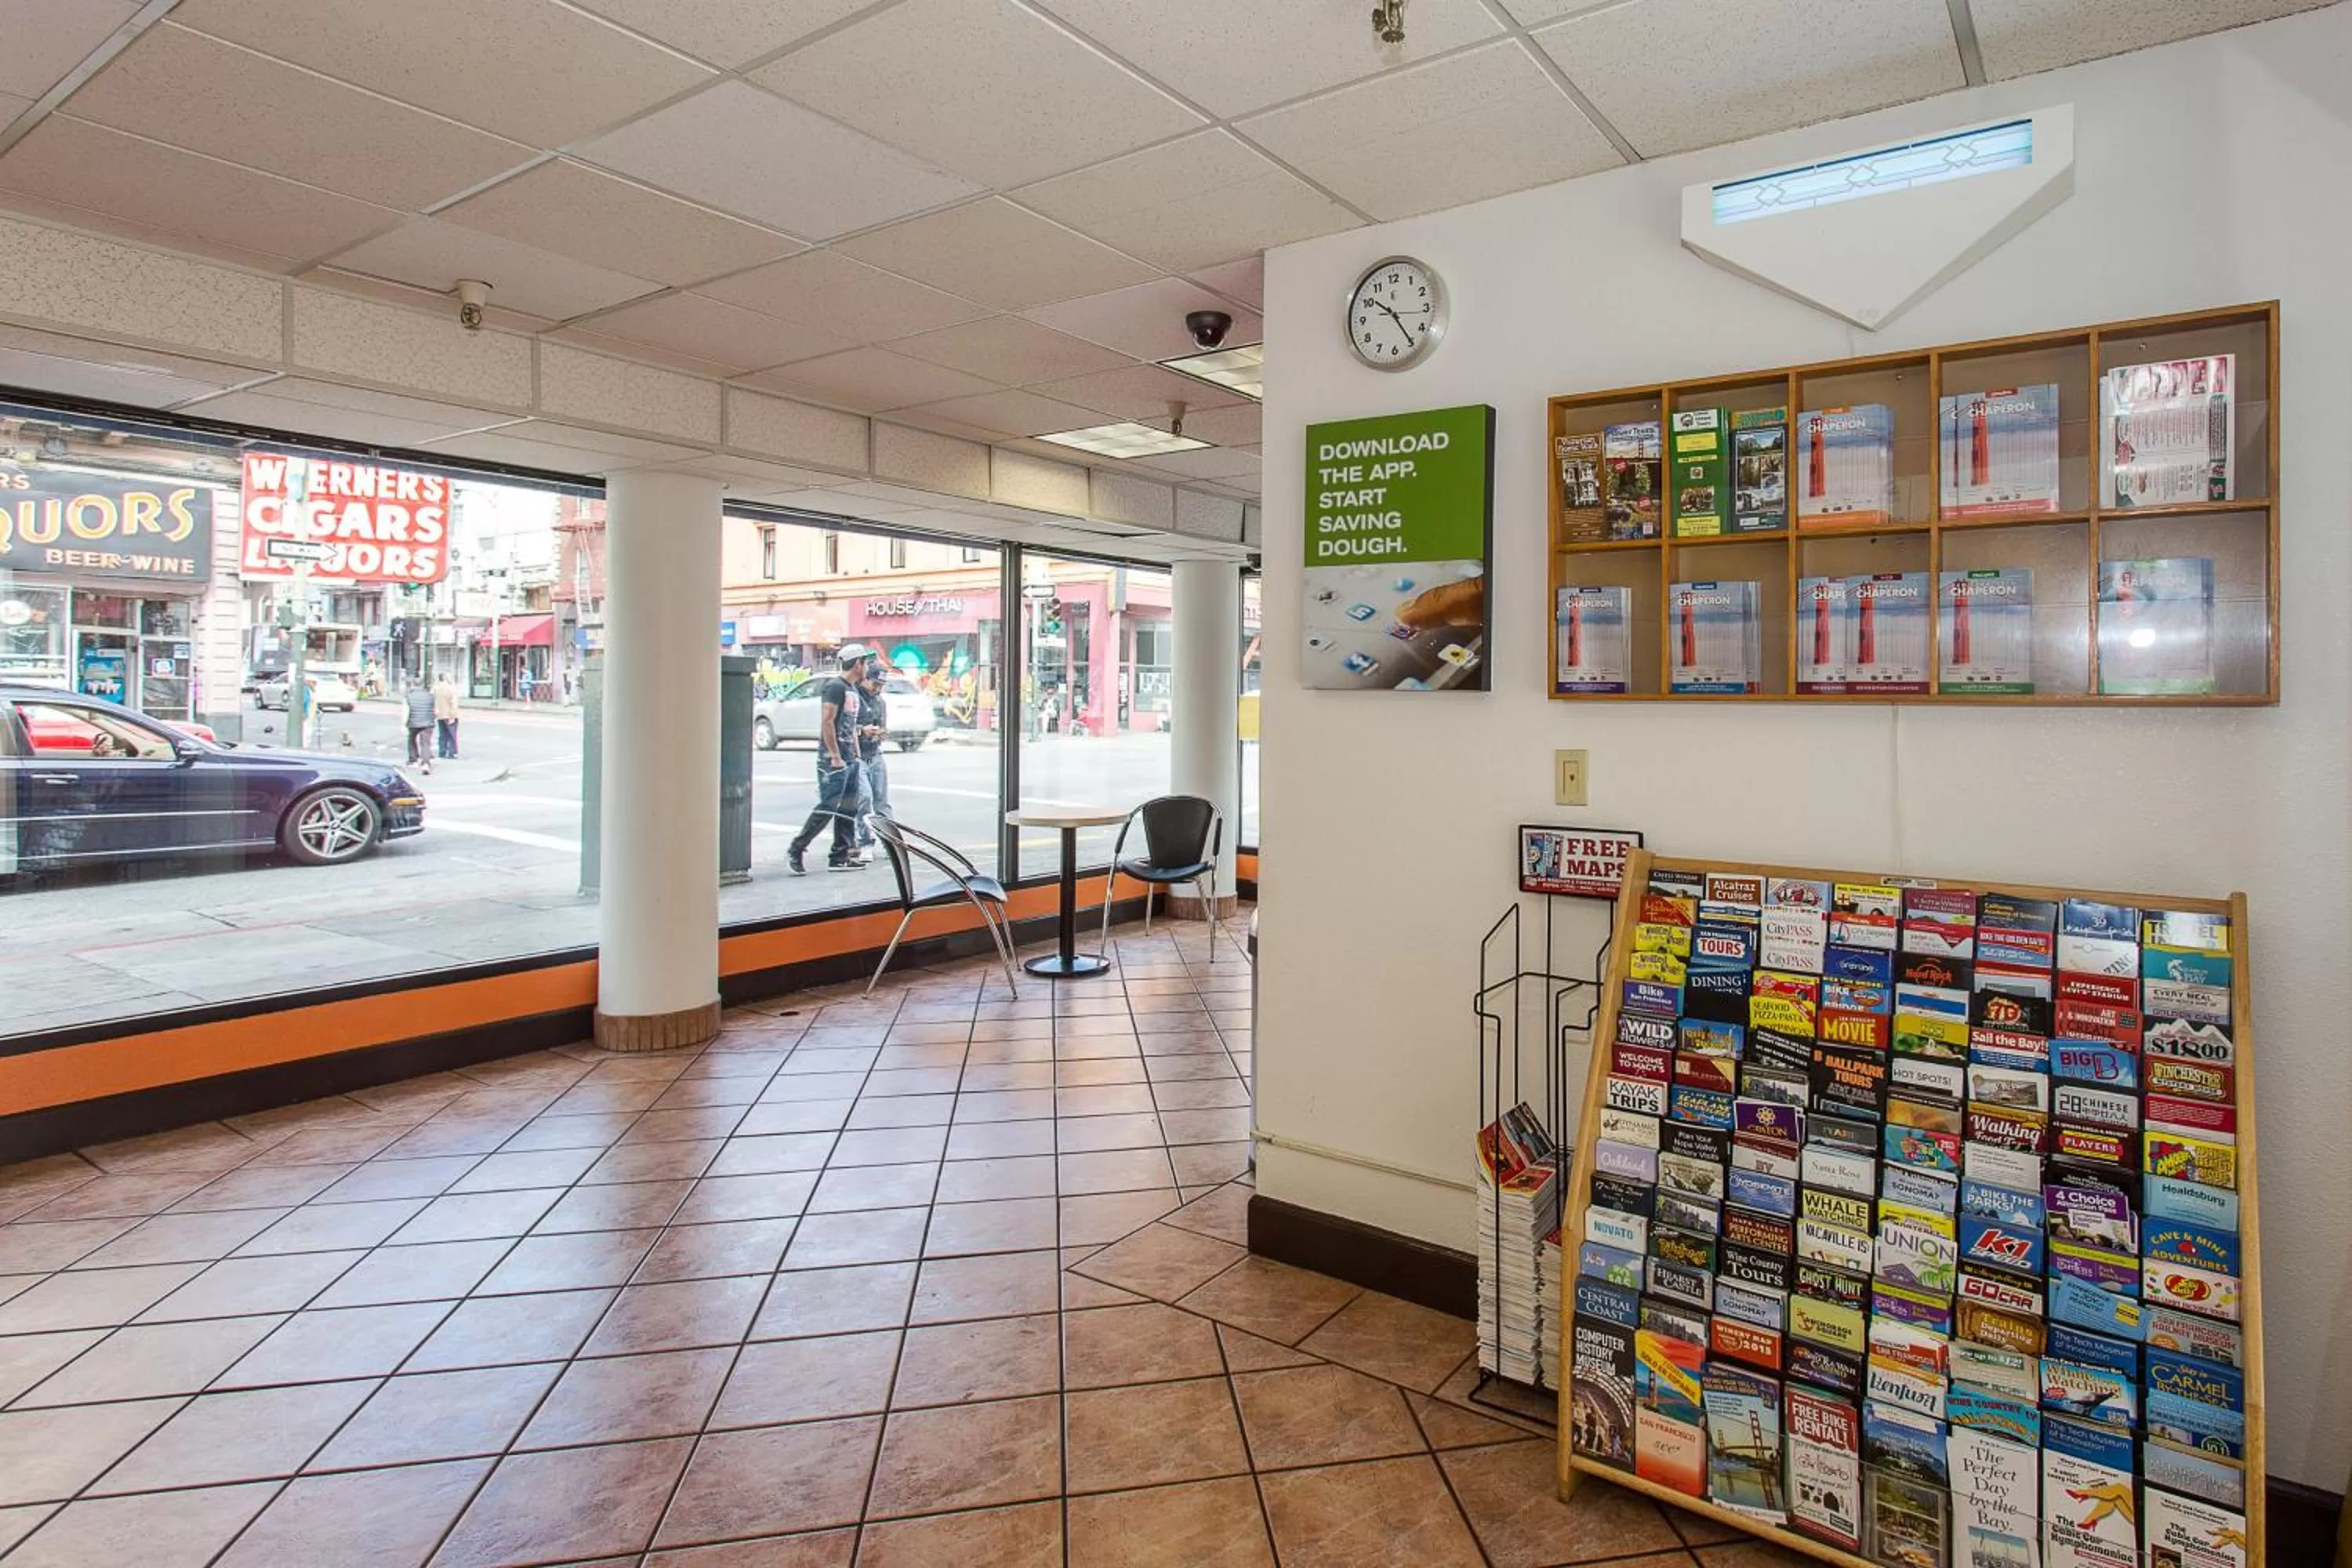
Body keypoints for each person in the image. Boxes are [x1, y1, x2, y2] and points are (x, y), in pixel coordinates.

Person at [786, 644, 871, 875]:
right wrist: (835, 755)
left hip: (850, 757)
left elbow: (850, 724)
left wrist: (855, 753)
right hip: (833, 760)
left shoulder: (852, 689)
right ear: (858, 664)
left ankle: (840, 855)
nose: (867, 667)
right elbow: (827, 721)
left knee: (848, 808)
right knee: (828, 807)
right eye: (865, 663)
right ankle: (797, 847)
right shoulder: (835, 687)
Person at [854, 664, 893, 862]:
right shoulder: (854, 698)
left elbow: (883, 725)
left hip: (875, 752)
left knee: (882, 801)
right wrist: (862, 730)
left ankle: (890, 843)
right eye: (875, 684)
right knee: (864, 798)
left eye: (881, 685)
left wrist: (880, 733)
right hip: (858, 755)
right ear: (865, 679)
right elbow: (845, 725)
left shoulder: (879, 702)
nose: (878, 689)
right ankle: (865, 842)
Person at [402, 680, 434, 773]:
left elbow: (406, 711)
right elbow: (434, 709)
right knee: (425, 743)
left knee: (411, 739)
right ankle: (426, 763)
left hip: (413, 721)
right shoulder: (430, 696)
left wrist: (404, 724)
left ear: (413, 685)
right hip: (428, 722)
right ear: (423, 685)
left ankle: (413, 759)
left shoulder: (409, 696)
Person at [432, 673, 460, 759]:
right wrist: (453, 716)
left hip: (440, 714)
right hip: (449, 714)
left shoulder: (436, 688)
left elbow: (434, 701)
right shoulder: (451, 689)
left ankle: (442, 751)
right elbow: (453, 703)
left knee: (442, 734)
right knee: (452, 734)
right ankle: (452, 752)